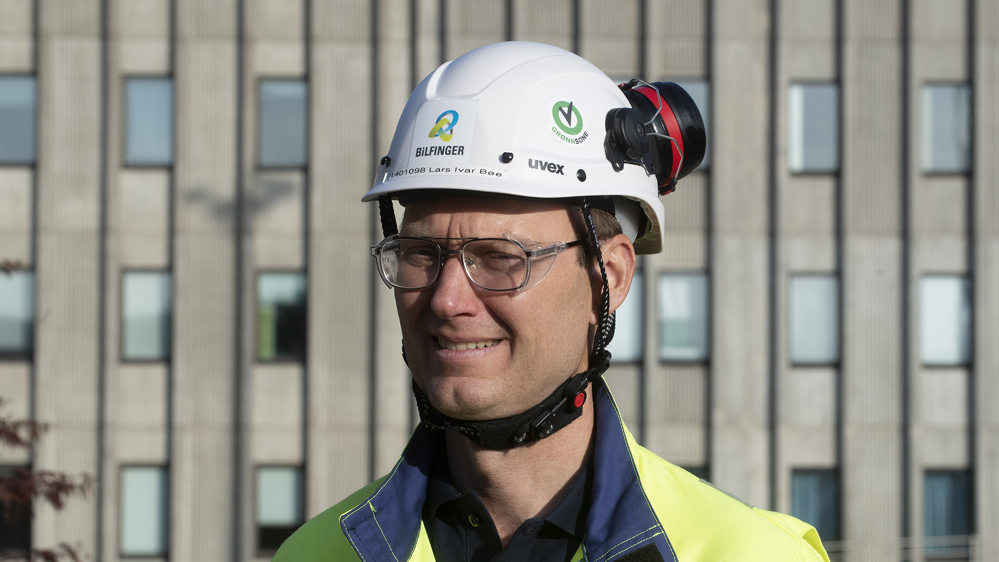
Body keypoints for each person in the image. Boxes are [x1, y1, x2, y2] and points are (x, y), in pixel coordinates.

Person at [274, 41, 829, 561]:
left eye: (501, 257)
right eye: (420, 254)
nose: (446, 300)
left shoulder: (755, 553)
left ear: (609, 278)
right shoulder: (313, 553)